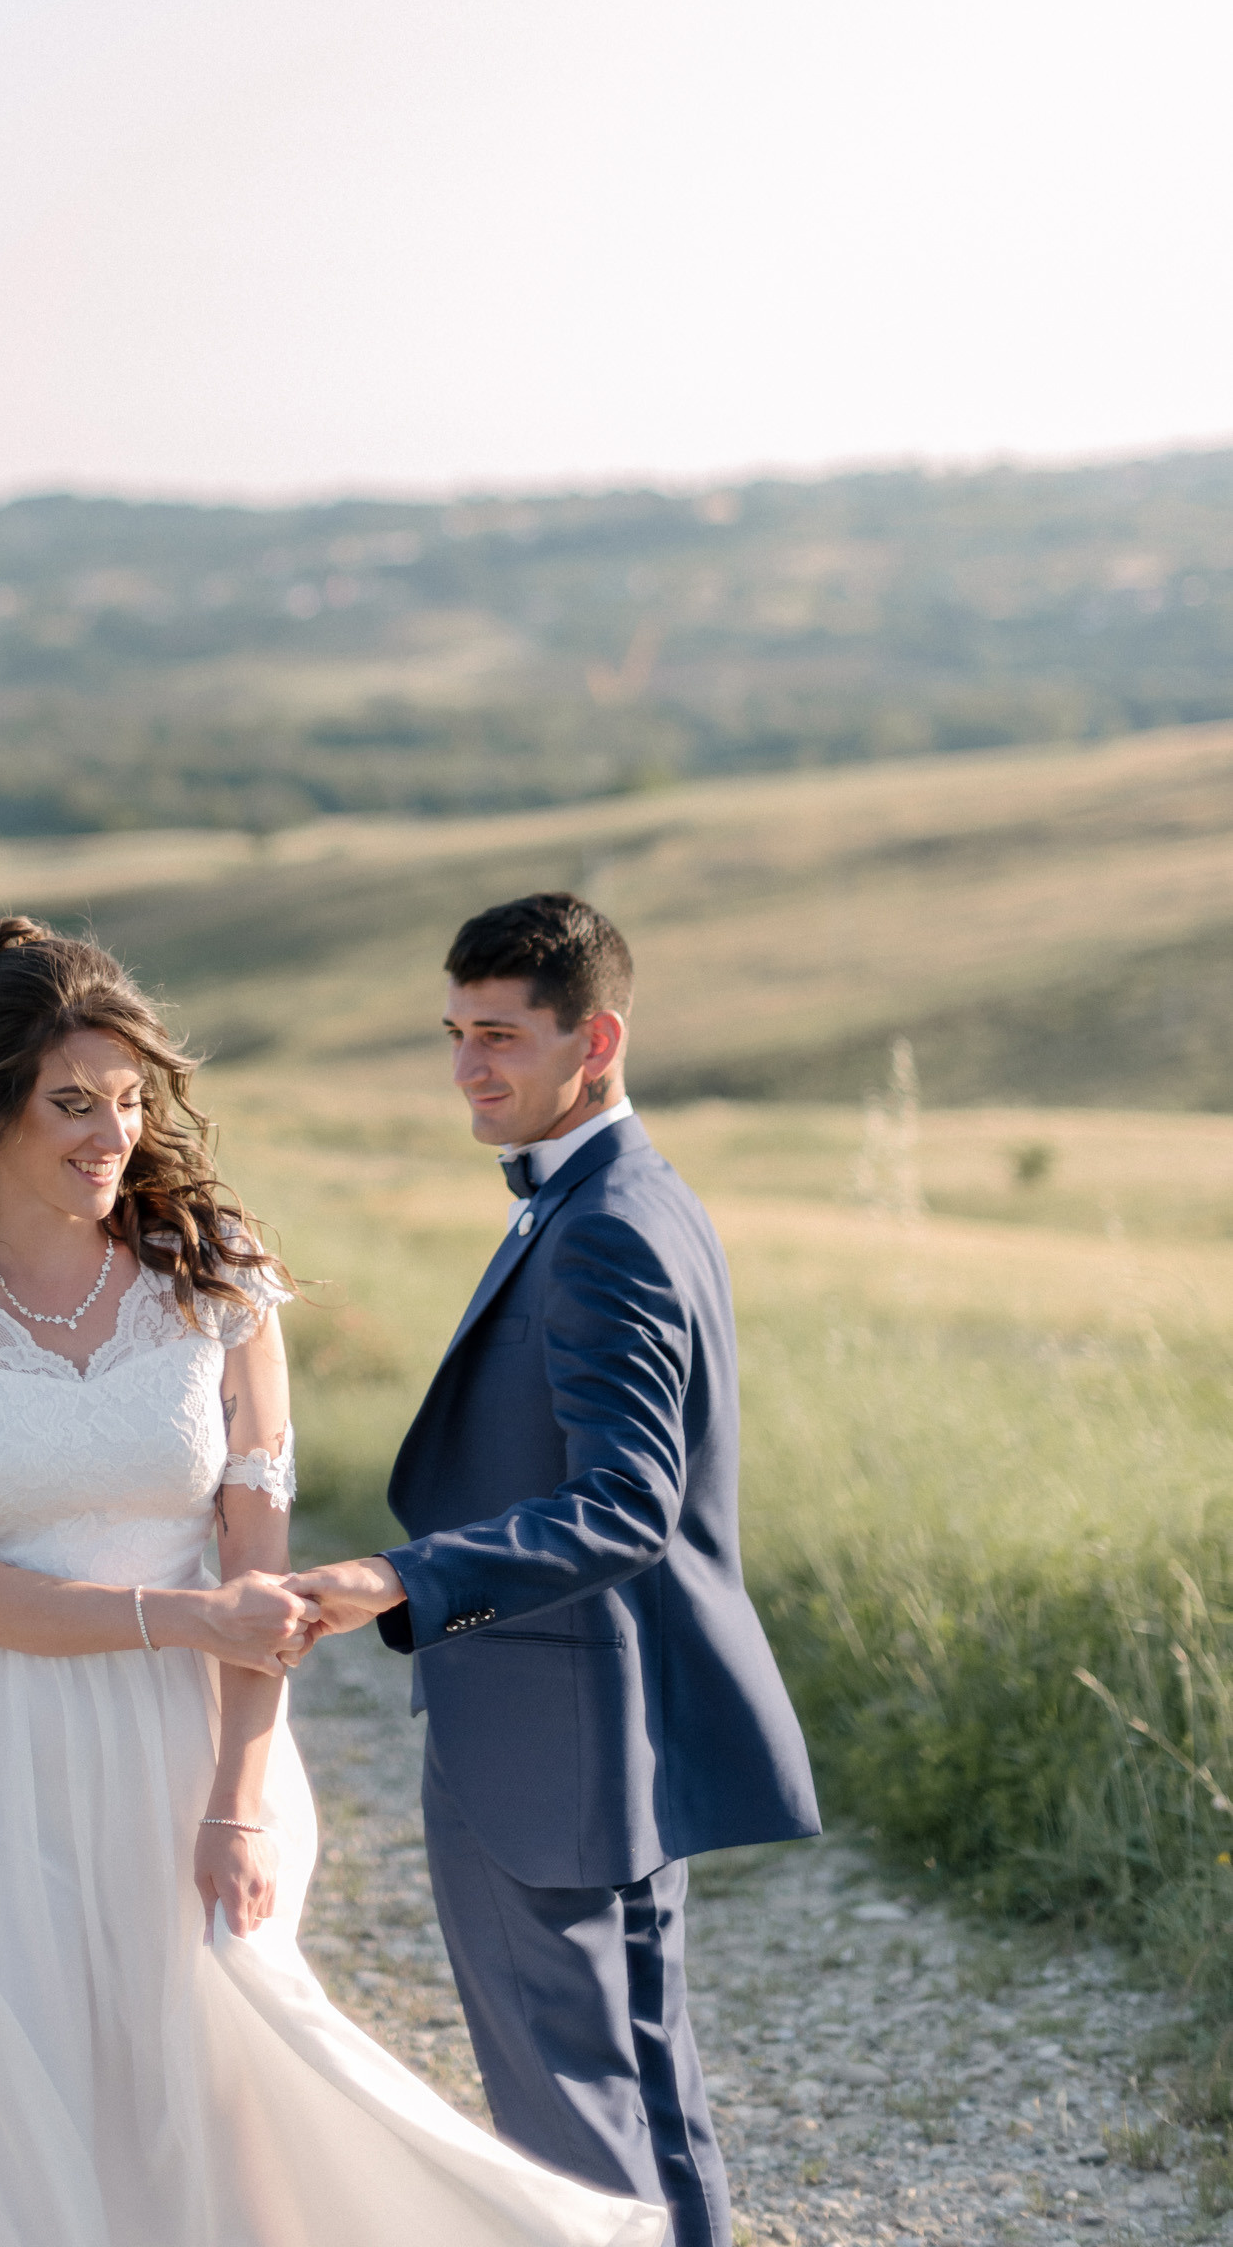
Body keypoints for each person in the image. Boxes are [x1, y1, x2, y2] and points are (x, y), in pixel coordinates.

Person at [0, 915, 665, 2247]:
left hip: (194, 1743)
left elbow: (258, 1571)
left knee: (225, 2093)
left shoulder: (217, 1278)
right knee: (17, 2110)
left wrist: (240, 1797)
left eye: (133, 1103)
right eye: (73, 1102)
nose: (111, 1135)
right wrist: (189, 1614)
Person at [290, 892, 820, 2247]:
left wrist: (400, 1579)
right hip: (602, 1732)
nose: (471, 1068)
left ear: (599, 1041)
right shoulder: (620, 1192)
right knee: (647, 2096)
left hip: (553, 1732)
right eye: (456, 1033)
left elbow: (628, 1504)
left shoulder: (609, 1226)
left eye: (504, 1037)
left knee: (570, 2125)